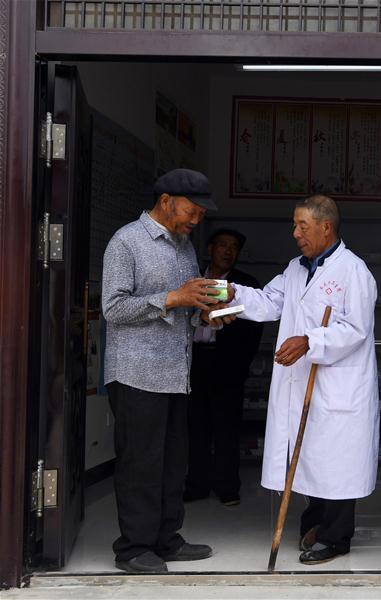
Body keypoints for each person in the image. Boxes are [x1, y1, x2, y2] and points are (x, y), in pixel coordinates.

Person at [225, 194, 379, 565]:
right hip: (302, 382)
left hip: (338, 385)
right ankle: (314, 523)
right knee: (308, 456)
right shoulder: (296, 268)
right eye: (294, 226)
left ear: (326, 227)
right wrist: (230, 295)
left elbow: (355, 329)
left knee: (337, 462)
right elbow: (268, 302)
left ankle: (336, 537)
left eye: (302, 226)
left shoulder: (353, 271)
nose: (295, 233)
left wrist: (310, 340)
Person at [101, 168, 234, 573]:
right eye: (192, 210)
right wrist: (173, 297)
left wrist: (205, 318)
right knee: (140, 463)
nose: (196, 219)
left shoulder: (185, 247)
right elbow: (113, 309)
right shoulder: (126, 242)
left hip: (177, 372)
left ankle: (166, 538)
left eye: (199, 213)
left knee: (175, 462)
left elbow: (183, 310)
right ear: (166, 201)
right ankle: (133, 549)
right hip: (136, 374)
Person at [184, 228, 263, 506]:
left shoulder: (246, 284)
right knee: (196, 426)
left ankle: (228, 488)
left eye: (234, 247)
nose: (228, 251)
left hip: (228, 363)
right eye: (223, 245)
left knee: (227, 428)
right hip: (194, 361)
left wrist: (241, 365)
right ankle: (196, 485)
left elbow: (253, 330)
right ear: (210, 249)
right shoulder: (193, 280)